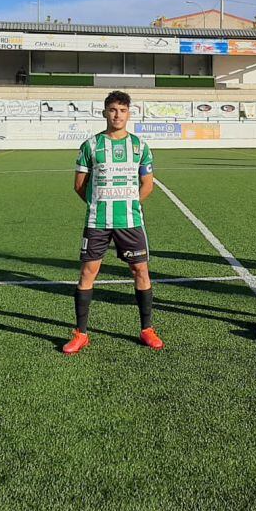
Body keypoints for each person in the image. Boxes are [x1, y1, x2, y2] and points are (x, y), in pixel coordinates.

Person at [63, 91, 163, 354]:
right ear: (105, 112)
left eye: (122, 110)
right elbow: (79, 186)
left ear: (129, 113)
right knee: (87, 273)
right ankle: (81, 333)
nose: (117, 115)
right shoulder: (91, 145)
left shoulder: (140, 146)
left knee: (140, 272)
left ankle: (146, 329)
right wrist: (99, 203)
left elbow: (148, 185)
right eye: (113, 110)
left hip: (130, 221)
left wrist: (130, 203)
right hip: (98, 220)